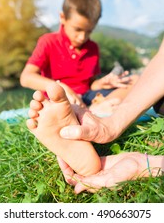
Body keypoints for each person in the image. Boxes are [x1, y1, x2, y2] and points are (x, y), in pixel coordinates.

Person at [27, 79, 164, 194]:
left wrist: (143, 164)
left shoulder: (91, 48)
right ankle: (102, 109)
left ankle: (102, 108)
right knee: (133, 82)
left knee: (133, 83)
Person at [20, 0, 136, 108]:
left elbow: (90, 84)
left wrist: (102, 83)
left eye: (89, 31)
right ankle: (94, 111)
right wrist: (60, 87)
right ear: (62, 18)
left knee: (134, 80)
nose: (82, 37)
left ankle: (95, 110)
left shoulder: (93, 48)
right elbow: (26, 78)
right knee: (60, 106)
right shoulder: (48, 42)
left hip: (87, 97)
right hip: (60, 99)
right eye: (78, 29)